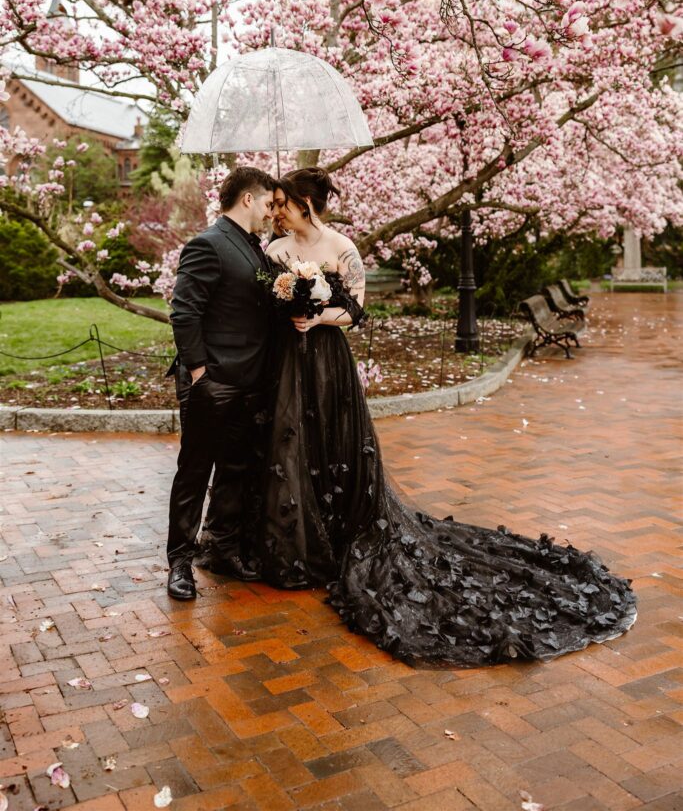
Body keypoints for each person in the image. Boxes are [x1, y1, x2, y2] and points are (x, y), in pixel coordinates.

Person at [257, 166, 637, 667]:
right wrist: (288, 310)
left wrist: (320, 315)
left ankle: (338, 533)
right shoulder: (275, 252)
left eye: (283, 202)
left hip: (328, 361)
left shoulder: (342, 249)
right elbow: (266, 300)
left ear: (306, 203)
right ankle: (298, 543)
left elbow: (357, 310)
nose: (276, 210)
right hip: (289, 360)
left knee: (334, 442)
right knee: (290, 443)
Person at [165, 166, 276, 601]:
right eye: (268, 203)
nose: (271, 212)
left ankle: (224, 548)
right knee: (194, 473)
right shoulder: (207, 245)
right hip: (213, 383)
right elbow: (184, 312)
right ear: (247, 199)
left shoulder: (256, 248)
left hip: (250, 382)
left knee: (236, 469)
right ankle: (179, 563)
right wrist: (199, 375)